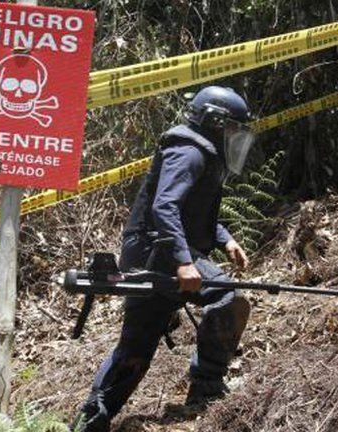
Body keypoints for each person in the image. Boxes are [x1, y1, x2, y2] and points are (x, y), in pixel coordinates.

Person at [71, 86, 255, 432]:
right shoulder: (190, 152)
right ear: (216, 122)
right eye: (232, 128)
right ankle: (207, 387)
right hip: (159, 257)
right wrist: (185, 261)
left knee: (134, 354)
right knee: (229, 296)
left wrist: (225, 238)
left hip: (154, 256)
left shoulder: (199, 151)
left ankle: (88, 422)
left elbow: (192, 214)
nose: (235, 137)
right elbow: (165, 207)